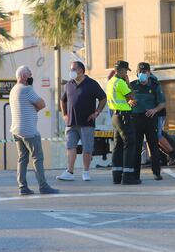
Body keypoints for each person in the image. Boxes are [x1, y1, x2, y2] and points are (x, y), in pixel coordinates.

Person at [10, 65, 59, 195]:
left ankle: (22, 187)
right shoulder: (26, 89)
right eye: (29, 74)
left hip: (16, 129)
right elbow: (42, 103)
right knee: (38, 158)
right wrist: (35, 106)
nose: (31, 77)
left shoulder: (14, 89)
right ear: (24, 76)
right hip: (29, 131)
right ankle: (43, 186)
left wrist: (33, 108)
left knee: (22, 159)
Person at [57, 61, 107, 181]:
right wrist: (64, 114)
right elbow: (62, 100)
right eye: (70, 69)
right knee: (70, 147)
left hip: (87, 123)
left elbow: (103, 98)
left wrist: (97, 112)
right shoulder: (68, 84)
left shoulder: (92, 84)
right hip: (71, 123)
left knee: (87, 148)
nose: (71, 72)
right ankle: (70, 172)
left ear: (81, 70)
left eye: (73, 69)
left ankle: (86, 172)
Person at [130, 62, 166, 181]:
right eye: (140, 72)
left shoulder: (155, 86)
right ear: (137, 73)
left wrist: (154, 110)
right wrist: (129, 102)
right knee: (136, 147)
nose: (142, 74)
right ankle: (135, 174)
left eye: (145, 72)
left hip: (150, 119)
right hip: (136, 118)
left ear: (149, 73)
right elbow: (126, 99)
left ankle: (156, 172)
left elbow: (162, 103)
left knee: (153, 146)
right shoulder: (132, 85)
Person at [107, 60, 140, 185]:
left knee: (118, 146)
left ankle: (116, 176)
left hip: (115, 116)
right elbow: (131, 96)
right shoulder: (120, 82)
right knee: (130, 144)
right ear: (120, 70)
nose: (126, 73)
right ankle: (128, 176)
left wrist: (128, 100)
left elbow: (124, 97)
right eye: (125, 71)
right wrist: (127, 82)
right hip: (124, 116)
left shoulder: (110, 82)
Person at [149, 72, 175, 166]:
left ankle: (172, 153)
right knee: (151, 137)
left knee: (157, 135)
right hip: (152, 114)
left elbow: (160, 101)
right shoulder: (149, 83)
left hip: (158, 114)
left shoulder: (153, 84)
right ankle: (158, 157)